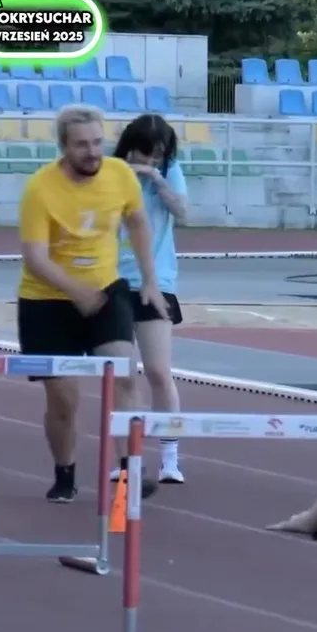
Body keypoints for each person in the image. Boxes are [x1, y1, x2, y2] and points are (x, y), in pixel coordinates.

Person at [17, 104, 167, 503]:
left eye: (98, 142)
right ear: (64, 146)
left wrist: (150, 281)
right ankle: (64, 473)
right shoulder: (40, 188)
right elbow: (35, 258)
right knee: (64, 400)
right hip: (47, 300)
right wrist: (76, 291)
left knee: (124, 373)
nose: (93, 152)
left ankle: (129, 469)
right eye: (82, 145)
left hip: (105, 289)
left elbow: (138, 222)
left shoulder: (120, 175)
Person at [111, 114, 189, 484]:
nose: (153, 159)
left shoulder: (168, 171)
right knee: (122, 375)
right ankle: (127, 459)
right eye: (148, 153)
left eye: (159, 154)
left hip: (156, 281)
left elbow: (183, 212)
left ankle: (170, 456)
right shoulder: (109, 172)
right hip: (112, 282)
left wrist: (156, 178)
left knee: (158, 371)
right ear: (131, 147)